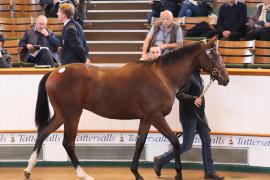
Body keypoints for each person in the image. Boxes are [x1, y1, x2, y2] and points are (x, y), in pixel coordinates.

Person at [153, 68, 224, 180]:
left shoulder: (198, 75)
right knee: (187, 145)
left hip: (200, 115)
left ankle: (209, 172)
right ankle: (160, 160)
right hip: (189, 116)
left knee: (206, 140)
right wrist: (193, 99)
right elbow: (179, 94)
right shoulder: (187, 75)